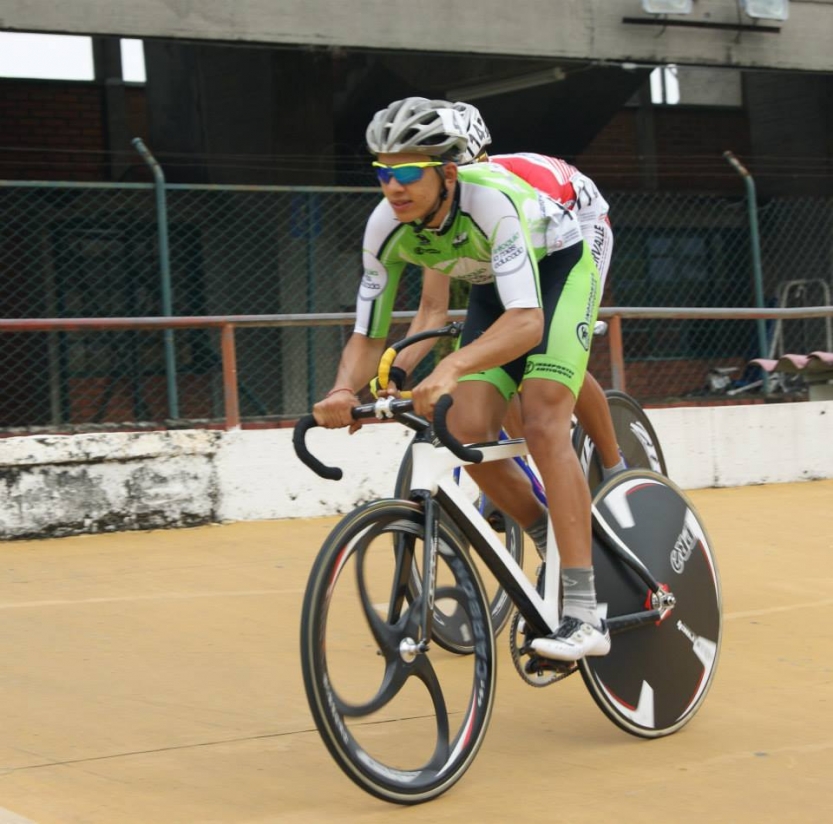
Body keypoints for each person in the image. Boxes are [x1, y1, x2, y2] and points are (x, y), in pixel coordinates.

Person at [313, 97, 609, 662]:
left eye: (406, 173)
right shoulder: (386, 226)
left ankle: (585, 612)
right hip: (497, 281)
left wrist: (450, 364)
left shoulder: (491, 202)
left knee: (544, 417)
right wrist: (342, 390)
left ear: (448, 174)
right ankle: (546, 532)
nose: (392, 187)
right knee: (466, 427)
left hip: (562, 260)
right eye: (382, 173)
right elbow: (367, 336)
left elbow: (527, 322)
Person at [452, 101, 624, 479]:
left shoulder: (517, 188)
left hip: (579, 222)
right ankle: (523, 470)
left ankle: (615, 464)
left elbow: (552, 264)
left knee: (555, 346)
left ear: (481, 159)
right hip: (524, 235)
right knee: (503, 356)